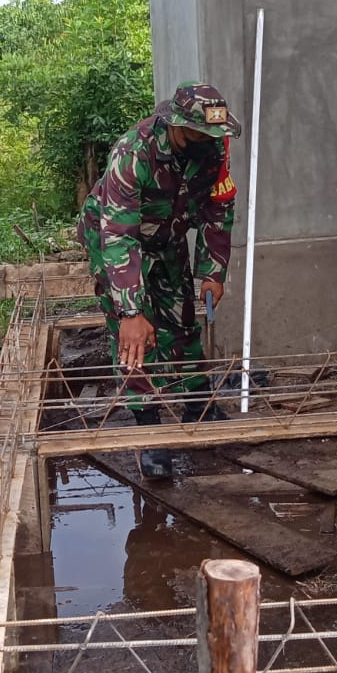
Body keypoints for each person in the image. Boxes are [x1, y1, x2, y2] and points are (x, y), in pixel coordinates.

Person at [80, 81, 240, 478]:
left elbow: (219, 208)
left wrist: (212, 270)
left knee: (183, 316)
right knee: (138, 334)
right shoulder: (133, 153)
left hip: (166, 237)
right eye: (203, 132)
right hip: (116, 239)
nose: (212, 140)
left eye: (216, 133)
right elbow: (118, 237)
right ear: (177, 126)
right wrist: (131, 310)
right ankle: (149, 427)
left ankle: (198, 402)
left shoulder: (214, 149)